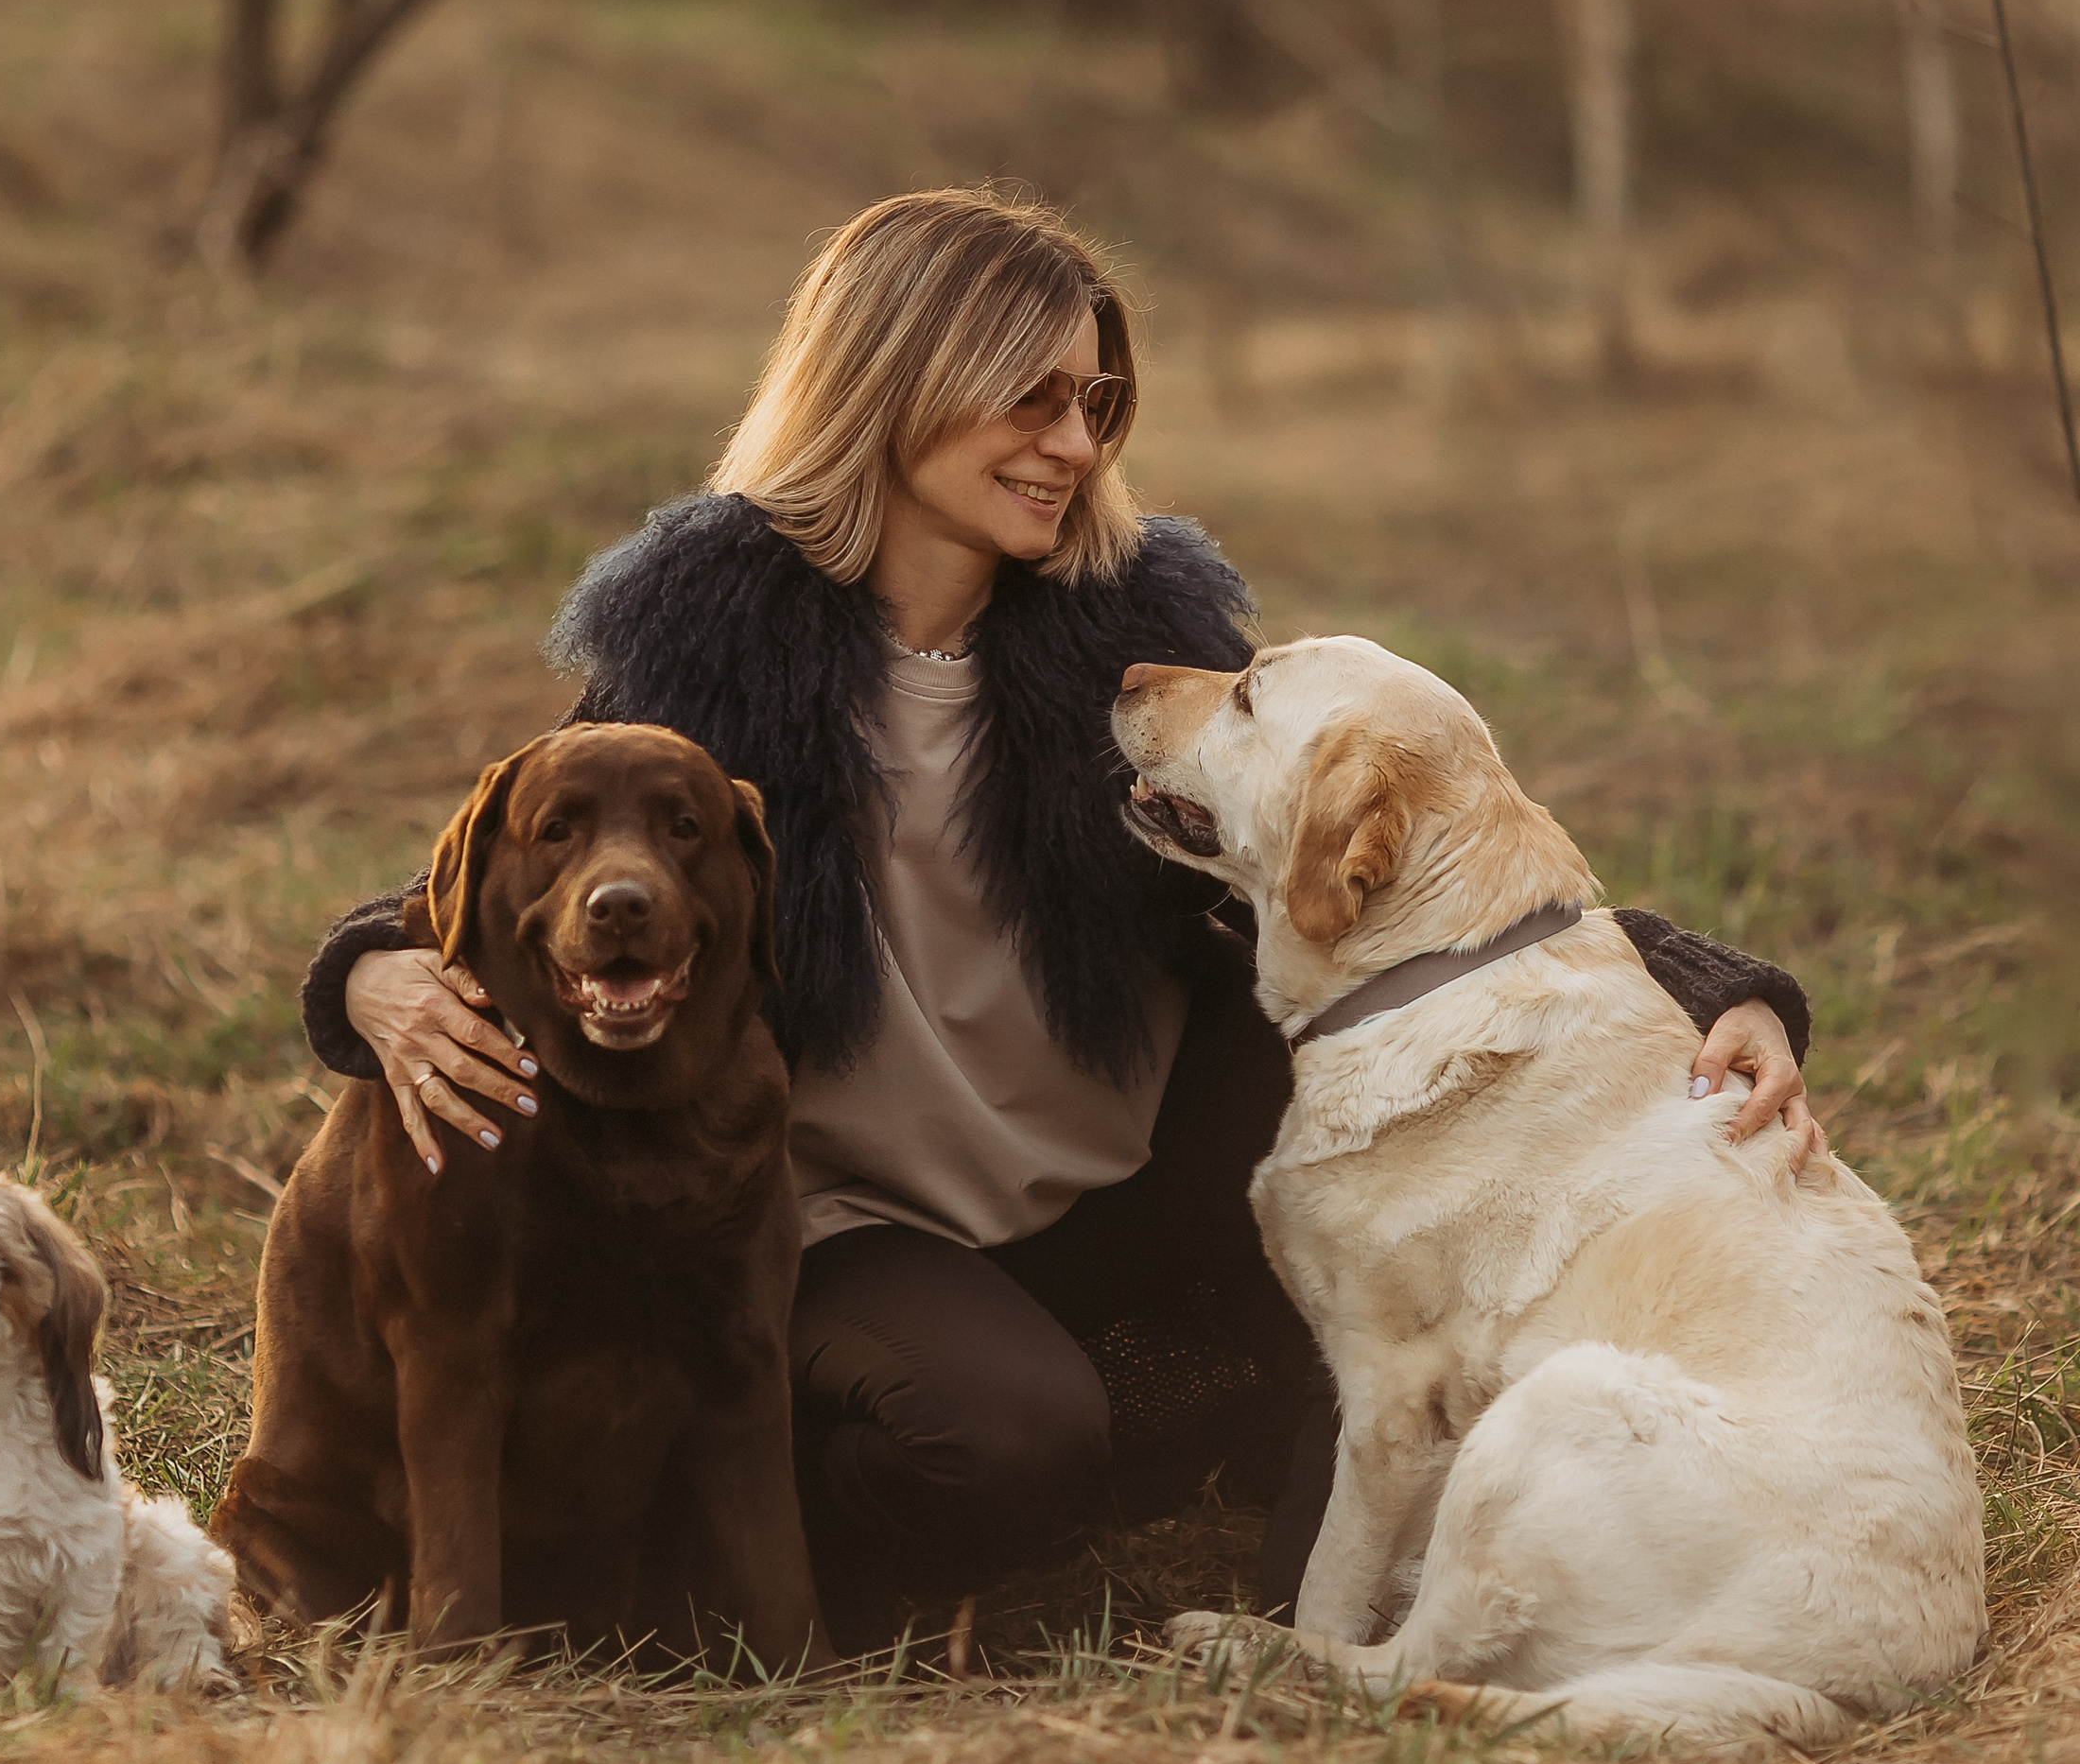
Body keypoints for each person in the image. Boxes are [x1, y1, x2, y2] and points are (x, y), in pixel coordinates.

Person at [295, 188, 1819, 1647]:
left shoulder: (1131, 643)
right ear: (894, 381)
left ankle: (1341, 1604)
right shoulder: (712, 648)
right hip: (854, 1226)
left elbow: (1402, 852)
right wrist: (370, 967)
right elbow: (533, 854)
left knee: (1388, 1191)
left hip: (1120, 1183)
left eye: (1097, 405)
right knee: (1007, 1445)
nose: (1076, 446)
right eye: (1030, 400)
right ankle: (759, 1521)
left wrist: (1710, 984)